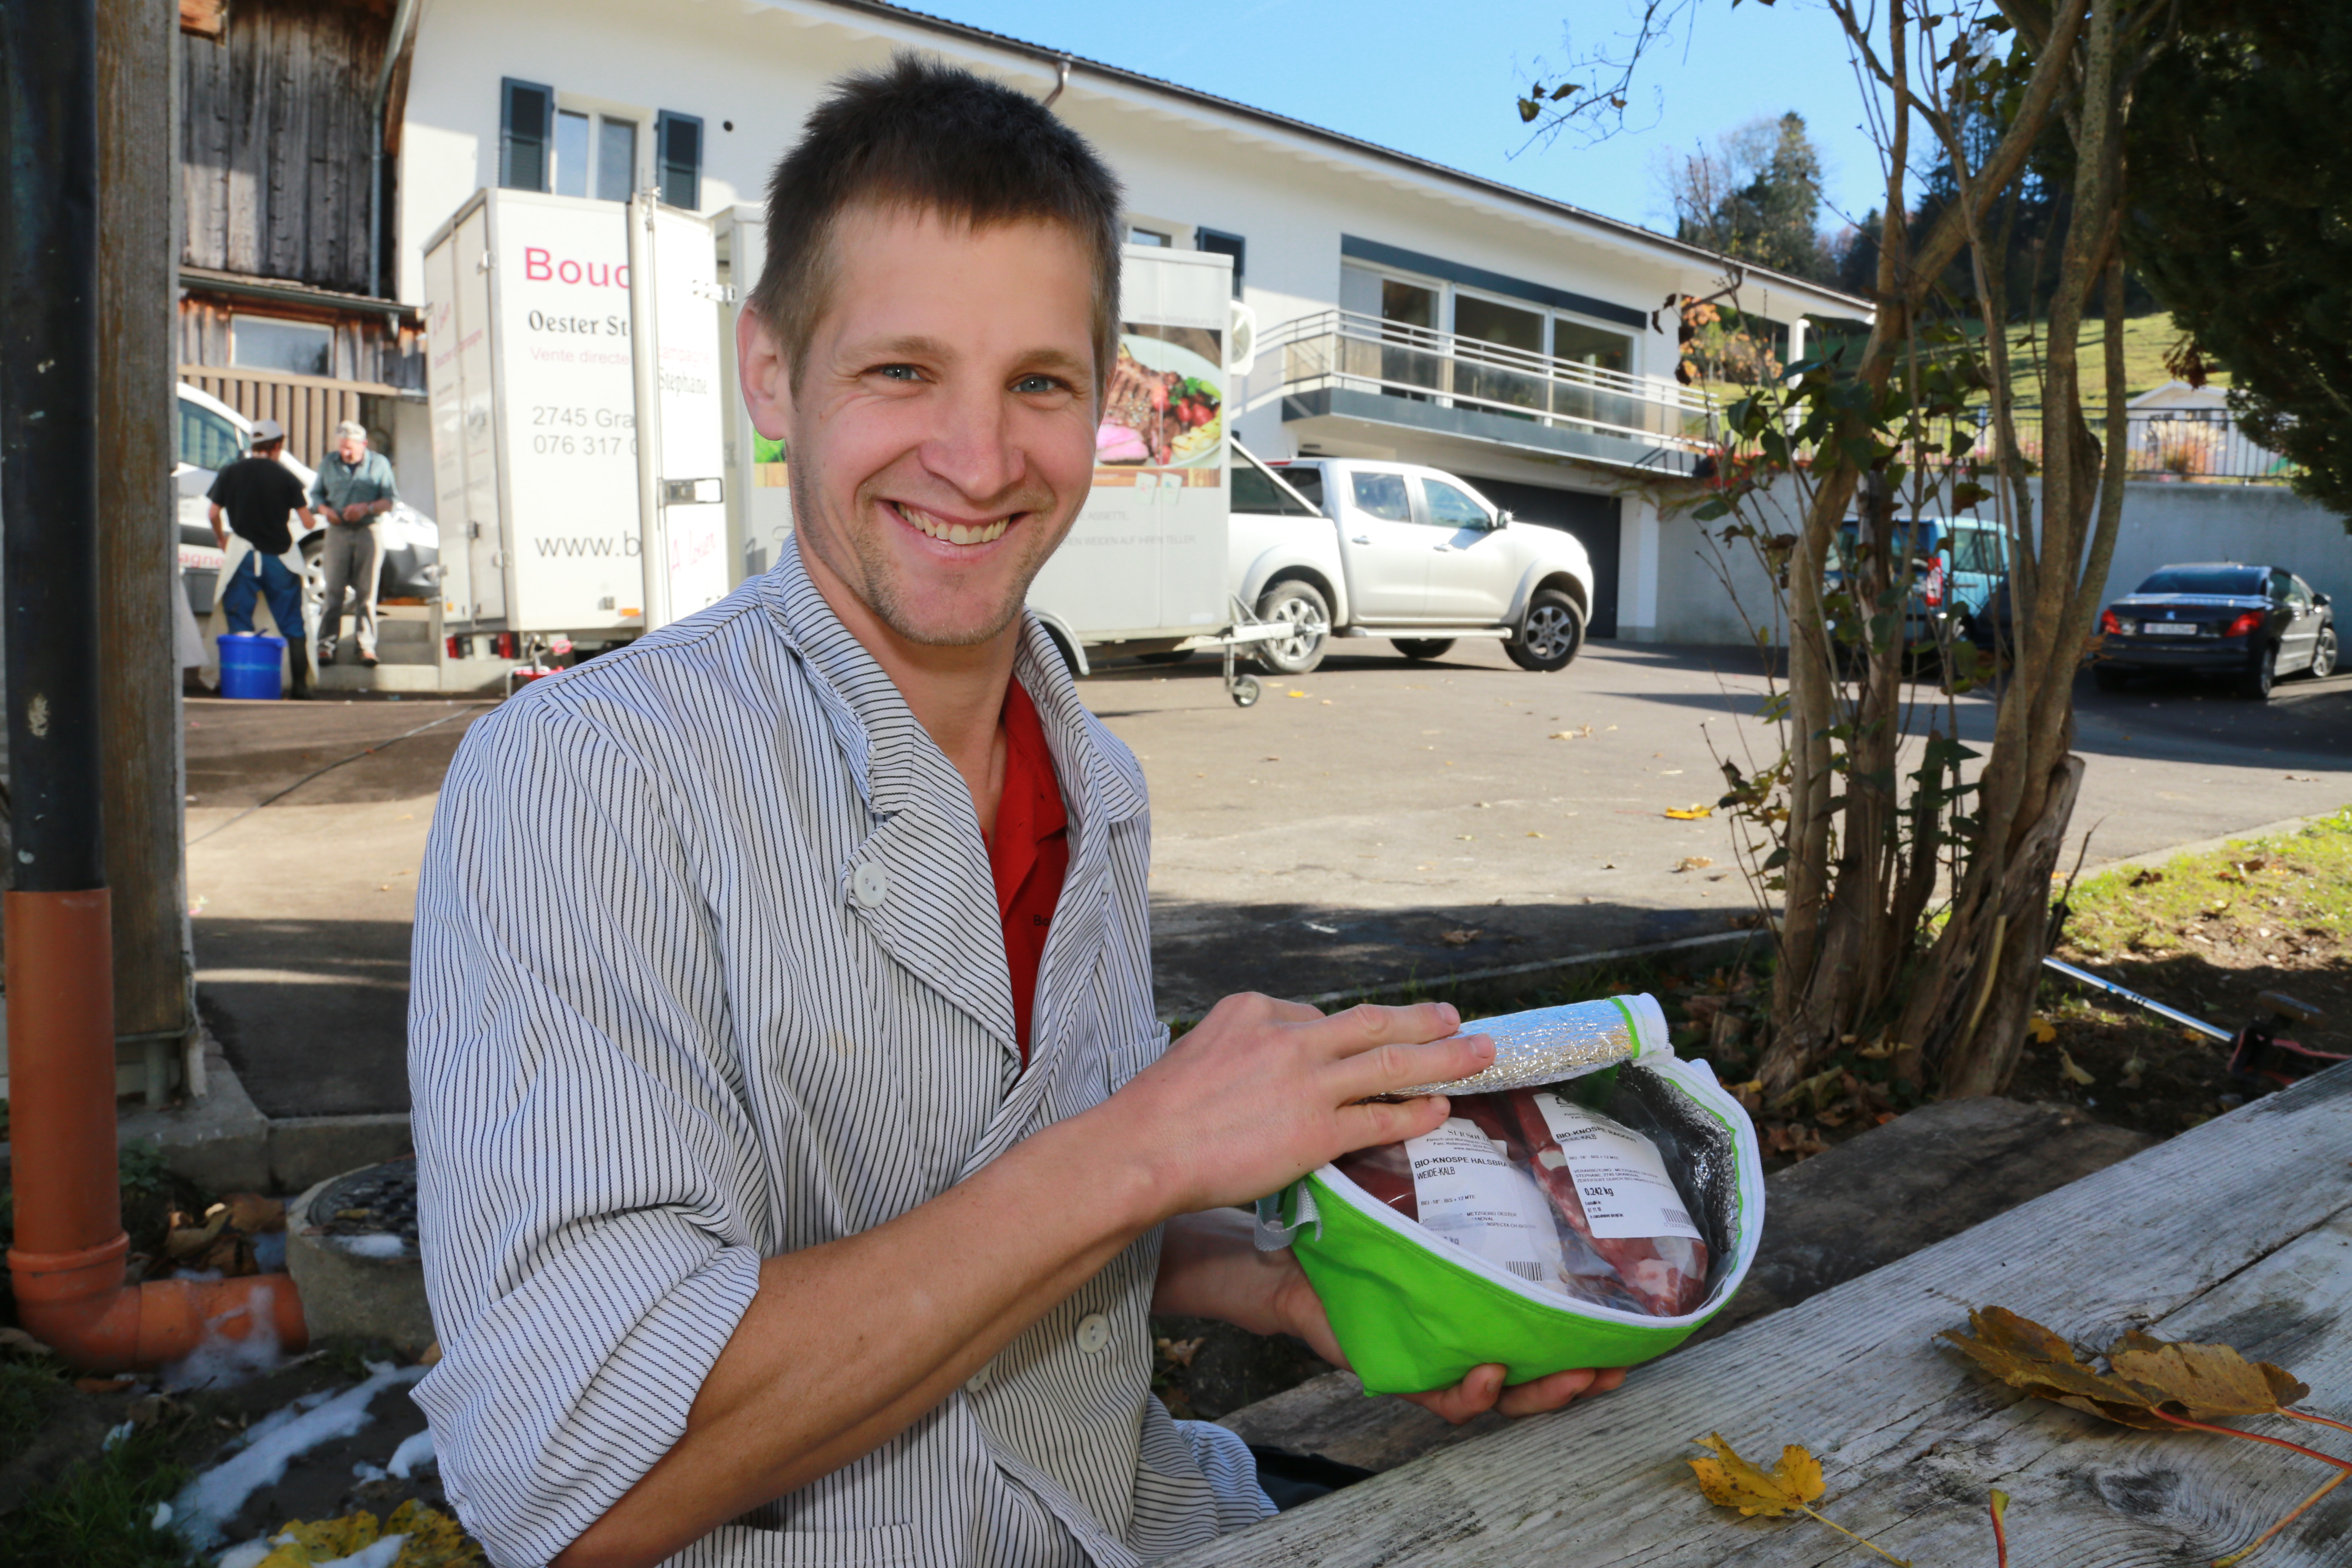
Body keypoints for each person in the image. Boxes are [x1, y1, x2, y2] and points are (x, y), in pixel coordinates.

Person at [409, 58, 1621, 1568]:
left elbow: (1011, 1194)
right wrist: (1145, 1143)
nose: (978, 462)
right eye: (901, 371)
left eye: (1038, 383)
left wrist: (1290, 1273)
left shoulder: (1095, 783)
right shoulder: (584, 780)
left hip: (1148, 1513)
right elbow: (572, 1475)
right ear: (771, 372)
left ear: (1104, 405)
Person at [207, 417, 313, 691]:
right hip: (279, 558)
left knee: (239, 618)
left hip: (242, 555)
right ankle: (301, 687)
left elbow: (213, 512)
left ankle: (238, 682)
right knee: (292, 622)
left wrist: (221, 537)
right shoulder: (287, 477)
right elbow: (309, 522)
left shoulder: (230, 472)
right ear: (279, 445)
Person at [310, 418, 399, 668]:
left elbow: (390, 500)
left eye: (350, 447)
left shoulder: (379, 464)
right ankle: (326, 647)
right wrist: (326, 510)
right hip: (337, 532)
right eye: (342, 447)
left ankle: (366, 647)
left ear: (364, 445)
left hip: (368, 530)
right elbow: (316, 495)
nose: (345, 452)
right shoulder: (329, 462)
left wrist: (366, 508)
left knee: (367, 593)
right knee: (333, 593)